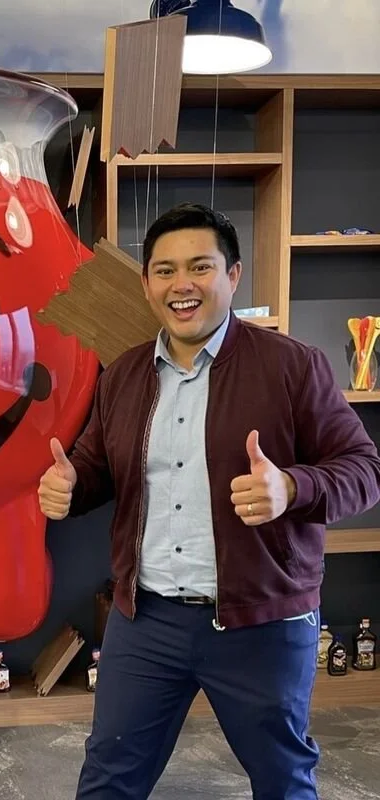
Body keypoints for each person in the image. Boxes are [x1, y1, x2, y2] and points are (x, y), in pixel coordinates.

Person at [37, 202, 380, 800]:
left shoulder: (293, 367)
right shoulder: (122, 375)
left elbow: (363, 470)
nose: (182, 285)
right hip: (146, 620)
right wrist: (71, 486)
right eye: (165, 271)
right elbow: (97, 466)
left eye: (200, 266)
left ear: (233, 275)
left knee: (283, 781)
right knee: (107, 781)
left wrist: (292, 489)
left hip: (263, 622)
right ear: (146, 285)